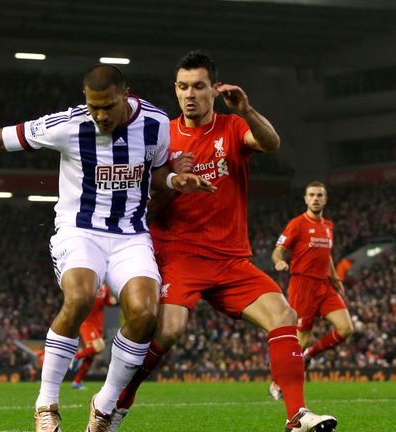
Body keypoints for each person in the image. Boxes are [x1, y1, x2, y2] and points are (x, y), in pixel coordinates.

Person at [0, 64, 214, 432]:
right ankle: (46, 405)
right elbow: (1, 137)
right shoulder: (69, 125)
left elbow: (154, 173)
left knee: (144, 314)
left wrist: (175, 179)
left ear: (126, 96)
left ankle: (105, 404)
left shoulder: (156, 123)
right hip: (79, 231)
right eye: (93, 106)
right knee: (79, 297)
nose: (100, 115)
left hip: (130, 234)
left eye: (107, 106)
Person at [112, 52, 337, 432]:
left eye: (198, 86)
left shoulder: (232, 128)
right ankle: (117, 402)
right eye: (183, 86)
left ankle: (296, 416)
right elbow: (144, 204)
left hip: (231, 260)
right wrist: (175, 182)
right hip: (178, 254)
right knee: (168, 330)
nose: (189, 94)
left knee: (283, 316)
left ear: (214, 90)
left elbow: (271, 142)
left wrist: (247, 111)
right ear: (176, 89)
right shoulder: (161, 136)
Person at [269, 182, 354, 400]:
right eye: (312, 195)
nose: (315, 198)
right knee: (301, 337)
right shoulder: (297, 224)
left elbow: (327, 254)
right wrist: (279, 262)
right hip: (303, 285)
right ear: (306, 199)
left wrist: (334, 277)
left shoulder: (328, 226)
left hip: (324, 285)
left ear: (326, 199)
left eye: (320, 195)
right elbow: (278, 251)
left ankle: (309, 355)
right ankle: (278, 382)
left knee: (346, 328)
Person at [70, 283, 116, 390]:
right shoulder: (88, 283)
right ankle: (76, 356)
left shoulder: (104, 288)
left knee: (91, 355)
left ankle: (76, 382)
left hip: (98, 325)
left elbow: (108, 302)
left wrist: (112, 301)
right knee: (100, 347)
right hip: (87, 322)